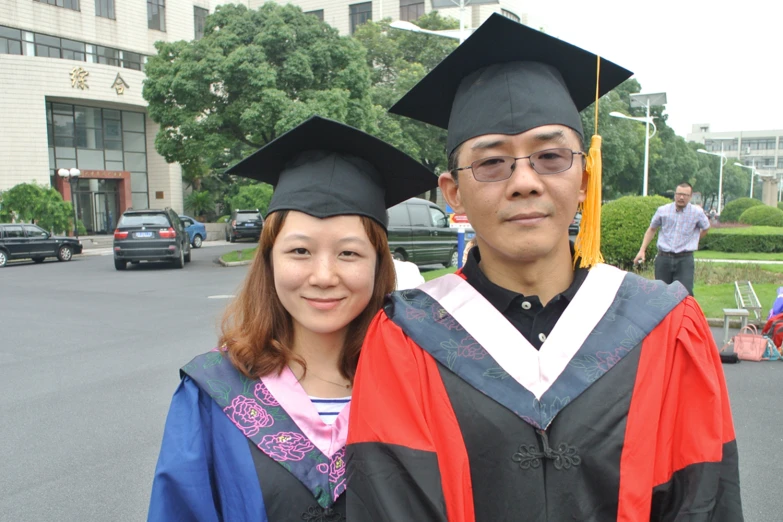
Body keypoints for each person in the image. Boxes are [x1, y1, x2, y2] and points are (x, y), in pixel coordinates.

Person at [347, 14, 743, 522]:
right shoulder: (408, 335)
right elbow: (390, 503)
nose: (524, 182)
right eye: (492, 163)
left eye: (550, 156)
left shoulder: (665, 326)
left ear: (584, 178)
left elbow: (702, 498)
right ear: (453, 193)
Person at [147, 116, 436, 521]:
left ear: (378, 265)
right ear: (268, 260)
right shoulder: (212, 394)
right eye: (299, 251)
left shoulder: (421, 385)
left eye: (349, 253)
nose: (322, 276)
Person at [633, 182, 710, 296]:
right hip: (664, 258)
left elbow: (706, 227)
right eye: (679, 194)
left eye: (685, 195)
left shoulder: (696, 212)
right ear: (675, 194)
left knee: (685, 294)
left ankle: (684, 314)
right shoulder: (663, 210)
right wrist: (642, 250)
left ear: (690, 196)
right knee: (661, 294)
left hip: (685, 259)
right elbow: (652, 229)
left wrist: (695, 240)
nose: (681, 197)